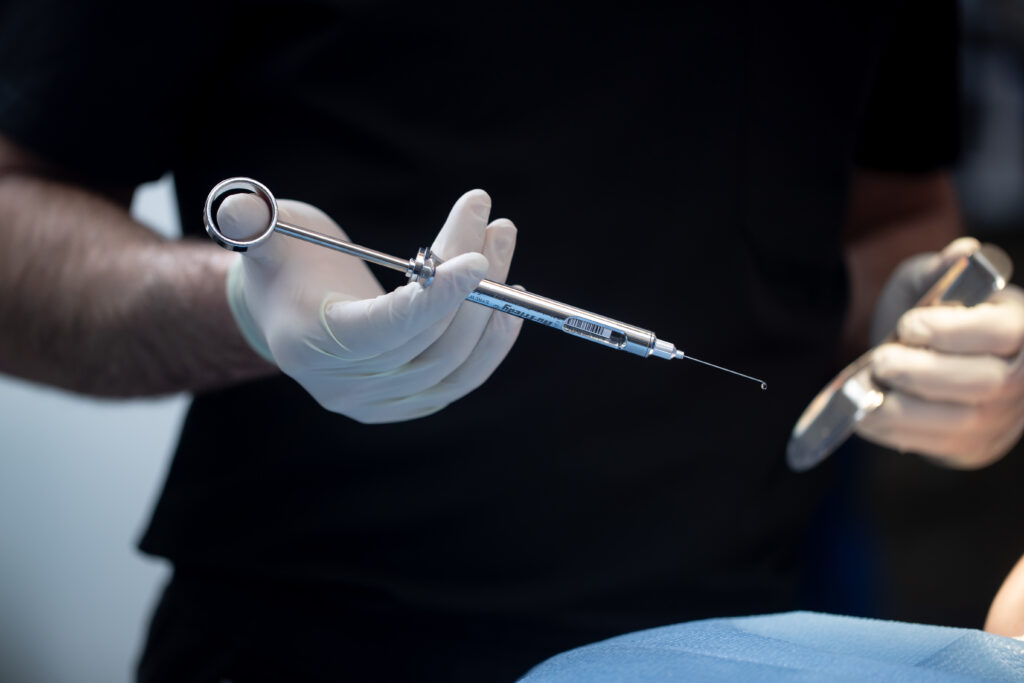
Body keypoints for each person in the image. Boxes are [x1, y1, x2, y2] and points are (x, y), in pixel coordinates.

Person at [1, 1, 1022, 680]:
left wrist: (920, 318)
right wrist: (239, 301)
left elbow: (899, 209)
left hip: (748, 628)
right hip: (316, 635)